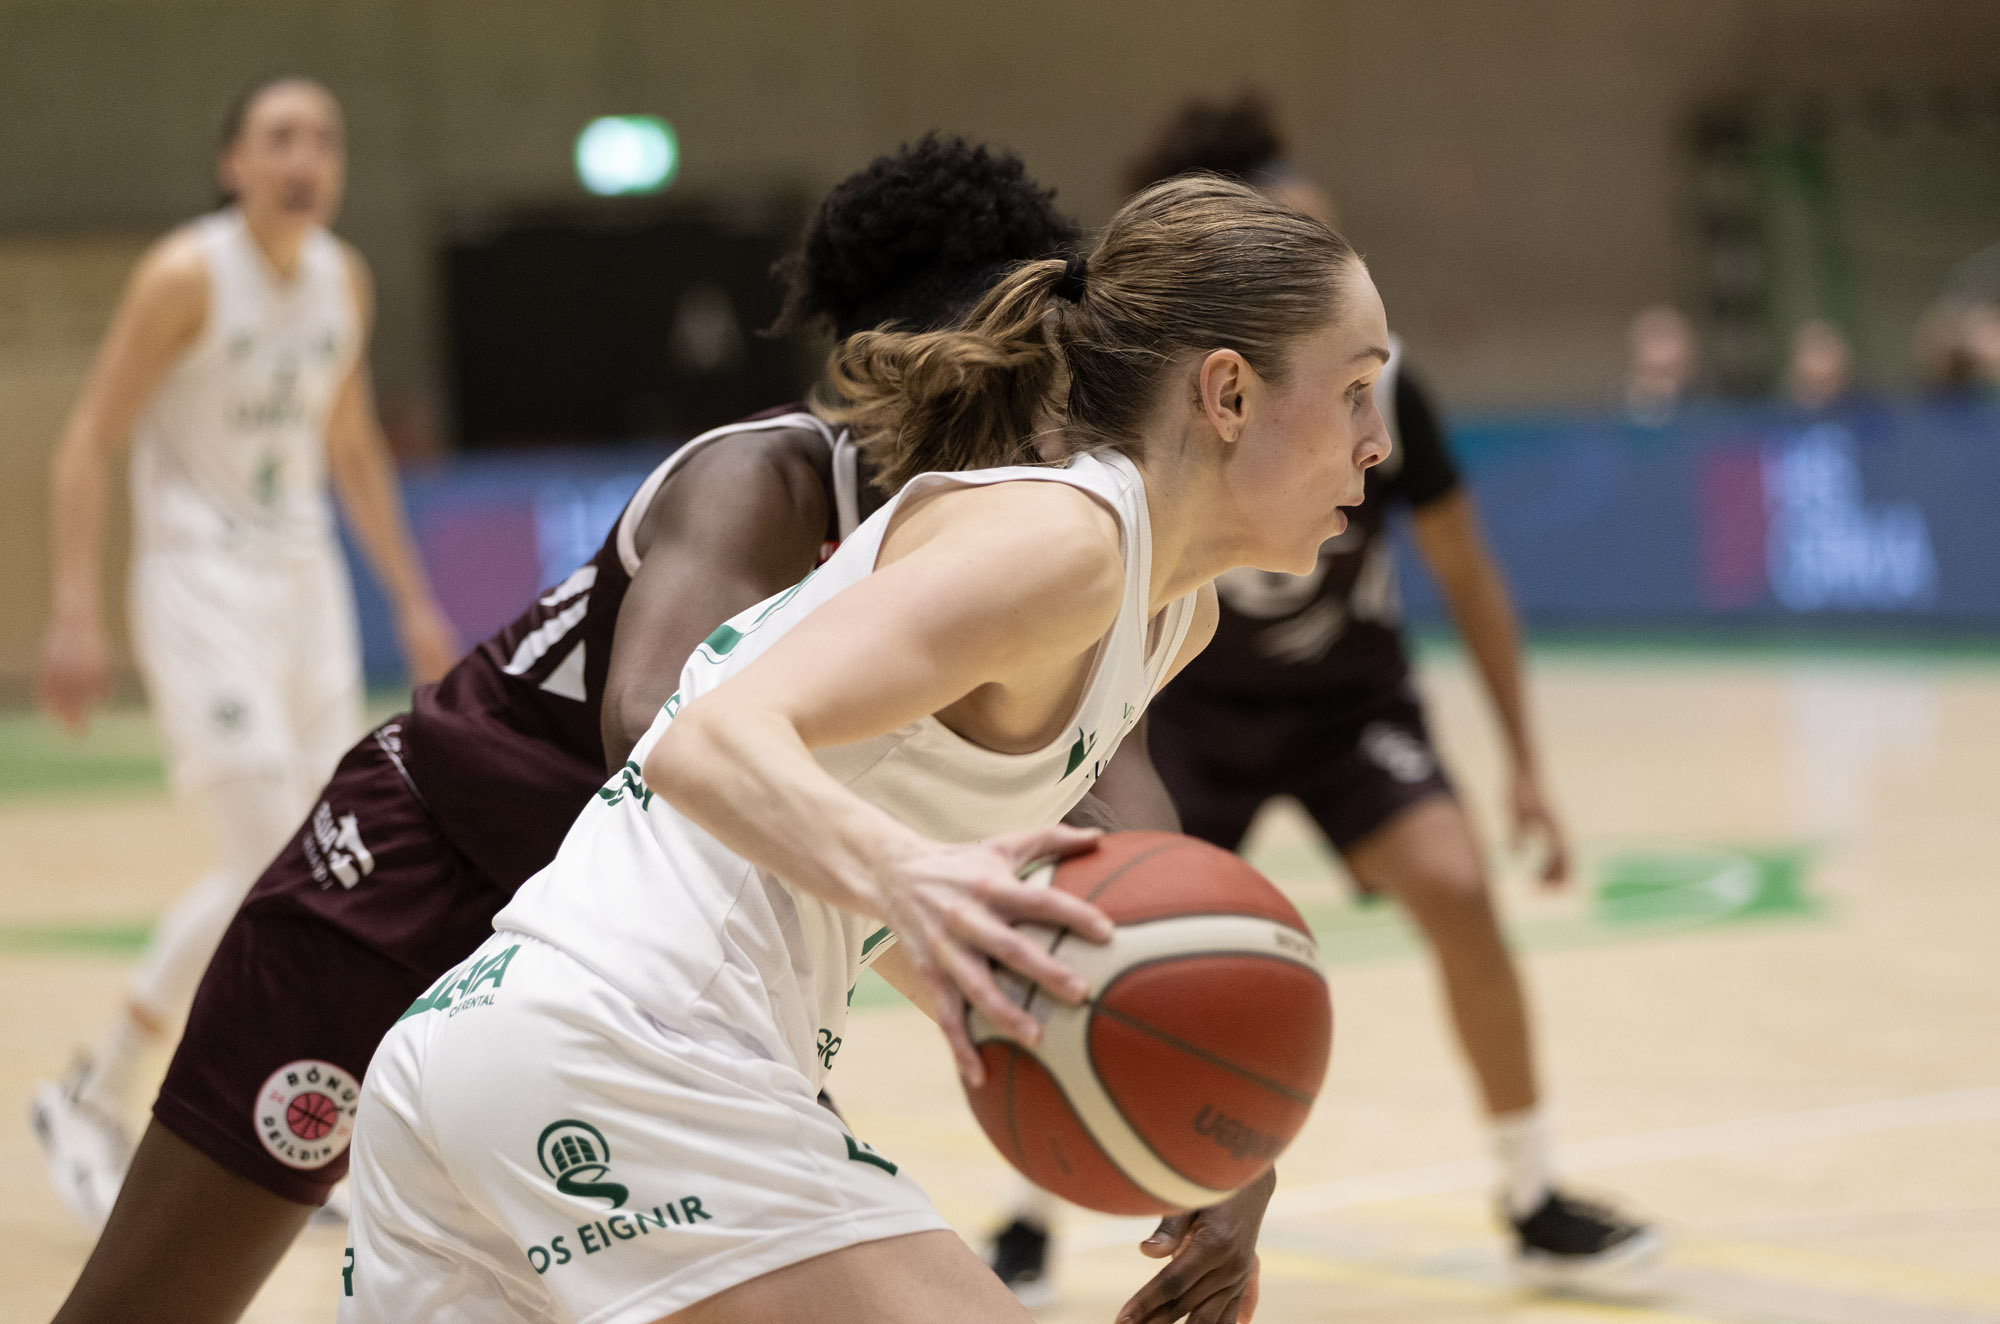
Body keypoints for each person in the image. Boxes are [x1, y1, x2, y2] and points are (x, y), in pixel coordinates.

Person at [50, 136, 1255, 1324]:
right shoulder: (765, 477)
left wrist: (1221, 1127)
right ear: (881, 365)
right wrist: (928, 914)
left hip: (628, 983)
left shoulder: (1052, 545)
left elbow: (1125, 838)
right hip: (422, 873)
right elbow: (664, 728)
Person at [337, 174, 1387, 1324]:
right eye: (1351, 390)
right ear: (1227, 392)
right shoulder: (1061, 543)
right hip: (629, 1048)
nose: (1375, 441)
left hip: (506, 1053)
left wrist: (1206, 1129)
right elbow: (702, 738)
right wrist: (907, 876)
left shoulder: (1170, 613)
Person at [999, 92, 1650, 1288]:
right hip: (1188, 713)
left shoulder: (1383, 397)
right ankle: (1029, 1211)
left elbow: (1468, 574)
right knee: (1101, 940)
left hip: (1347, 708)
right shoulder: (1150, 423)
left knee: (1457, 889)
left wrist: (1524, 765)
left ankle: (1532, 1192)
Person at [31, 76, 457, 1229]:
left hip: (303, 586)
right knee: (275, 861)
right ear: (233, 164)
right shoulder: (185, 276)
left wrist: (412, 598)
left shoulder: (342, 279)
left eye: (323, 138)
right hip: (198, 584)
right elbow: (87, 439)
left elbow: (350, 445)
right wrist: (72, 610)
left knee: (327, 861)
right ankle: (103, 1088)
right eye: (279, 138)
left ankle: (261, 1128)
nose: (304, 157)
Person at [1622, 305, 1700, 426]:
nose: (1664, 385)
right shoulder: (1607, 418)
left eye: (1671, 372)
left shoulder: (1709, 417)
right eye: (1654, 373)